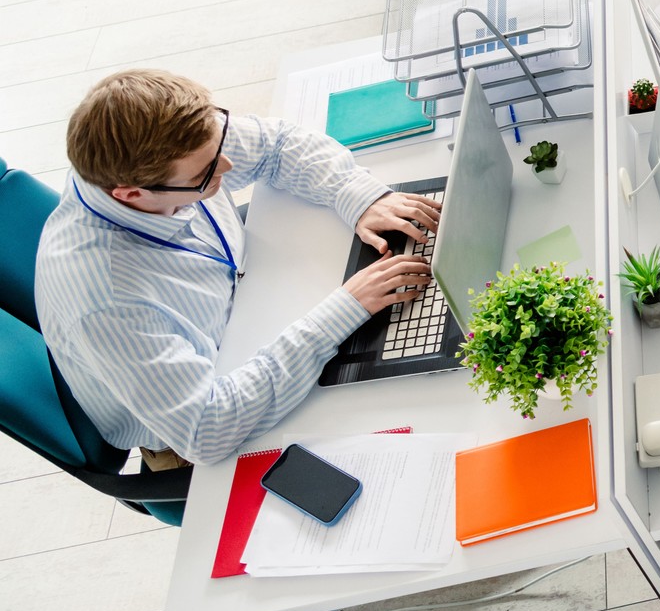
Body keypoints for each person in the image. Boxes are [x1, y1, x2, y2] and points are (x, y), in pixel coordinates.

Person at [35, 70, 440, 467]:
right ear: (132, 194)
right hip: (210, 428)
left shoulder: (149, 151)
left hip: (258, 306)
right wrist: (343, 312)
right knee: (420, 416)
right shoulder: (107, 301)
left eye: (220, 144)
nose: (227, 167)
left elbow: (275, 144)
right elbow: (205, 431)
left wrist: (358, 195)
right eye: (205, 174)